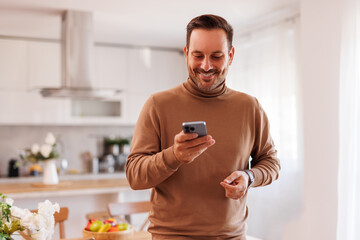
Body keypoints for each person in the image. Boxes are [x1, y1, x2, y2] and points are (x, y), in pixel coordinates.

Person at [126, 14, 280, 240]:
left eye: (216, 56)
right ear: (187, 53)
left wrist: (249, 177)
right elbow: (134, 176)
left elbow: (271, 163)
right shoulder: (157, 105)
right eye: (198, 55)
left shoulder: (250, 107)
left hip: (232, 236)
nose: (206, 66)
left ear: (231, 55)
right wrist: (174, 156)